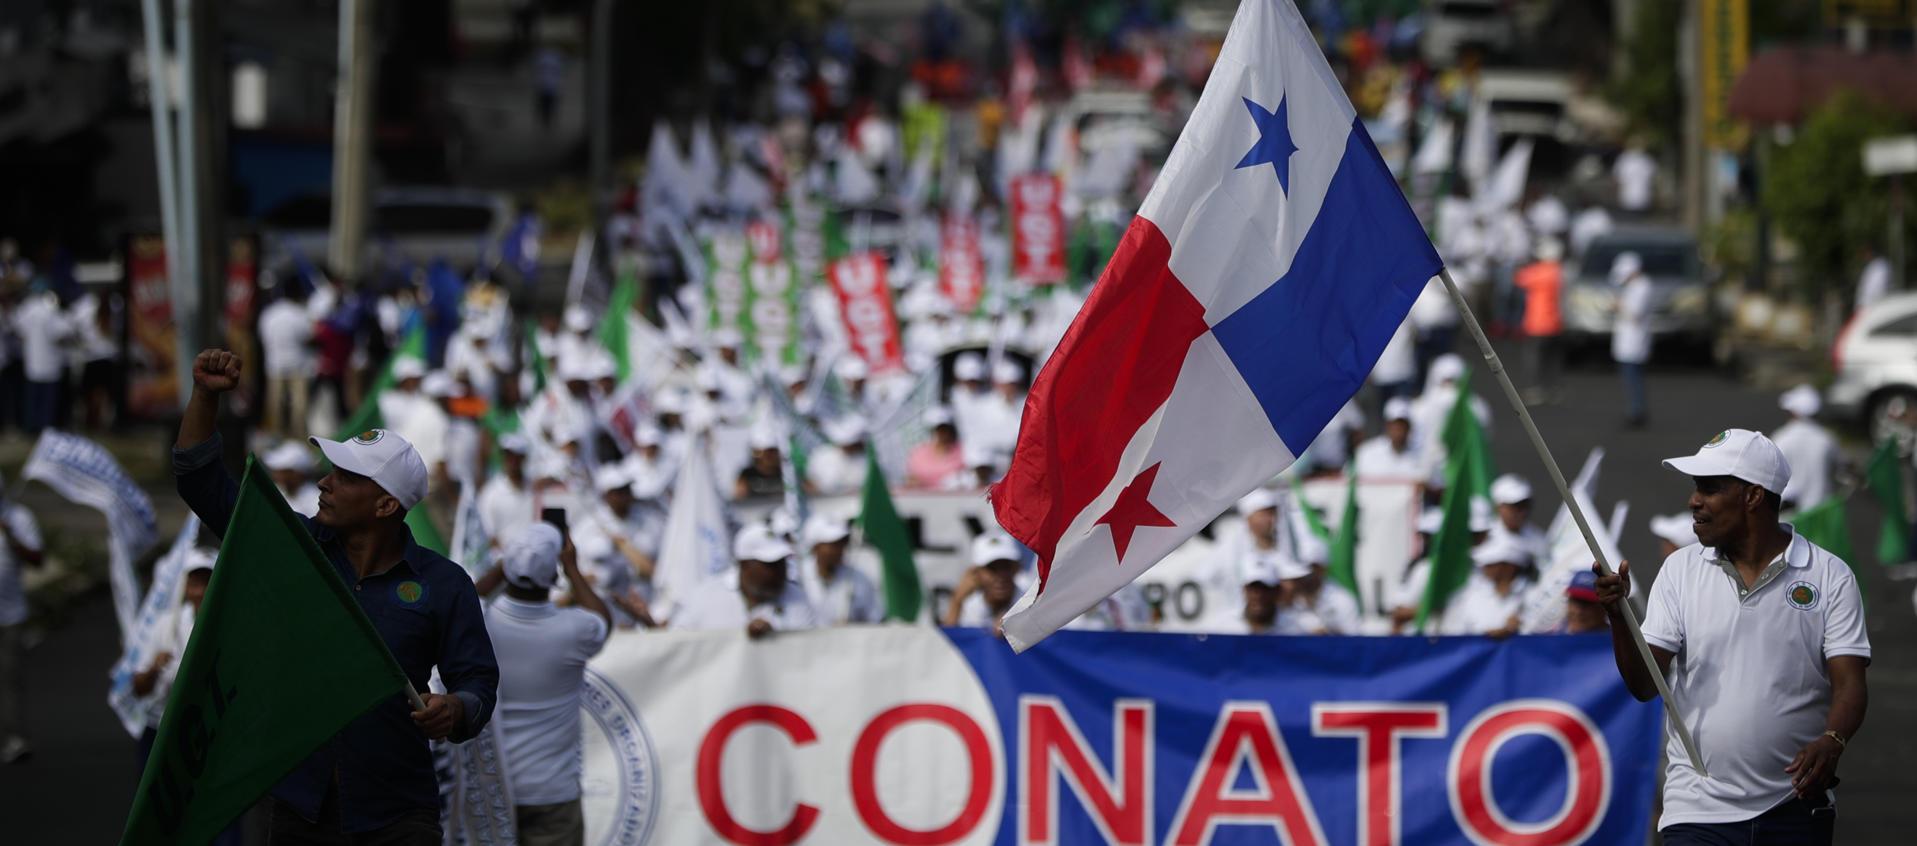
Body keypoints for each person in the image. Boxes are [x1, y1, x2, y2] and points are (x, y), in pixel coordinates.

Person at [174, 349, 498, 843]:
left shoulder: (444, 583)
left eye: (345, 477)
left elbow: (477, 682)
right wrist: (203, 396)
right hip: (297, 810)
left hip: (398, 815)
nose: (324, 482)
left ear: (386, 504)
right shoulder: (293, 548)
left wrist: (454, 708)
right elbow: (200, 481)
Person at [1594, 428, 1869, 844]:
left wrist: (1832, 741)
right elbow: (1644, 684)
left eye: (1710, 487)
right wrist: (1618, 616)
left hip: (1795, 808)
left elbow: (1850, 684)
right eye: (1695, 487)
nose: (1694, 500)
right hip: (1696, 811)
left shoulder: (1830, 575)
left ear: (1753, 497)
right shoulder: (1680, 570)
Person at [475, 524, 610, 846]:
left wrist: (506, 564)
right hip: (553, 794)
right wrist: (573, 568)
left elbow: (464, 596)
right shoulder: (576, 629)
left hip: (490, 793)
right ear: (553, 577)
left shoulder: (477, 621)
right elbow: (602, 617)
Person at [671, 524, 821, 637]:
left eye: (781, 563)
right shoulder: (705, 597)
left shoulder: (798, 598)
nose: (779, 572)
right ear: (744, 565)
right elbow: (677, 644)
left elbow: (808, 654)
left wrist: (775, 638)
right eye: (770, 565)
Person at [570, 465, 660, 628]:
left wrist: (622, 545)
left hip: (646, 604)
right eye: (618, 491)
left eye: (627, 489)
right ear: (606, 495)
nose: (624, 496)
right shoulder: (586, 527)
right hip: (605, 609)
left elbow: (657, 568)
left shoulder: (651, 521)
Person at [0, 471, 44, 765]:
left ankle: (14, 739)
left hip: (10, 616)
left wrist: (11, 536)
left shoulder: (19, 518)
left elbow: (37, 560)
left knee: (8, 679)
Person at [1439, 535, 1532, 637]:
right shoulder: (1470, 596)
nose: (1484, 567)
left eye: (1492, 563)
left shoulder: (1532, 594)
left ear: (1509, 567)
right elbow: (1454, 635)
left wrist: (1516, 629)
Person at [798, 515, 881, 625]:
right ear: (815, 547)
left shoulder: (859, 579)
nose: (840, 548)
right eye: (832, 544)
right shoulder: (797, 577)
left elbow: (875, 618)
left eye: (841, 542)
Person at [260, 289, 317, 439]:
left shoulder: (269, 313)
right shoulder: (298, 313)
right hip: (297, 365)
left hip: (274, 365)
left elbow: (263, 337)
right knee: (299, 407)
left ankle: (276, 438)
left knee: (275, 405)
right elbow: (309, 337)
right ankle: (298, 440)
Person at [1514, 238, 1565, 404]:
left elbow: (1519, 278)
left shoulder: (1537, 272)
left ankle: (1534, 390)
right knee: (1552, 358)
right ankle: (1553, 389)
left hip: (1537, 323)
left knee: (1534, 358)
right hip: (1555, 322)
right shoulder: (1560, 272)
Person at [1772, 385, 1839, 512]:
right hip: (1822, 513)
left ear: (1794, 412)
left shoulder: (1781, 438)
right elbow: (1841, 468)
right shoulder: (1827, 439)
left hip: (1790, 515)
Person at [943, 534, 1027, 635]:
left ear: (1016, 568)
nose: (1001, 576)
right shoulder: (969, 608)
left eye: (1006, 567)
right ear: (976, 573)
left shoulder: (1034, 601)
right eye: (992, 568)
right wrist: (956, 602)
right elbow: (947, 642)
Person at [1610, 252, 1653, 428]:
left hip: (1634, 342)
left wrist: (1618, 305)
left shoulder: (1643, 287)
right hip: (1628, 341)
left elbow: (1635, 314)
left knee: (1633, 379)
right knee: (1631, 379)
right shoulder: (1634, 286)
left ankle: (1636, 412)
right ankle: (1635, 410)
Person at [478, 433, 536, 548]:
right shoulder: (490, 494)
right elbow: (490, 537)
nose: (512, 461)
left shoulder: (536, 489)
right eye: (508, 456)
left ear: (523, 458)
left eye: (516, 456)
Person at [1353, 398, 1424, 480]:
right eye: (1395, 426)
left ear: (1409, 428)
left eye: (1402, 426)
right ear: (1387, 426)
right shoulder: (1366, 452)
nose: (1399, 431)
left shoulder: (1419, 455)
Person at [1488, 474, 1546, 564]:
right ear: (1499, 507)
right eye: (1515, 506)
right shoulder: (1486, 541)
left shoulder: (1537, 537)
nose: (1522, 512)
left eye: (1525, 504)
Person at [906, 408, 966, 489]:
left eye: (946, 429)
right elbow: (911, 479)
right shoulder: (919, 453)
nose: (943, 433)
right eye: (939, 429)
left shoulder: (963, 451)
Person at [265, 441, 322, 518]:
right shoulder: (276, 492)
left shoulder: (317, 500)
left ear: (298, 474)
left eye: (284, 471)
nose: (276, 475)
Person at [1237, 555, 1285, 635]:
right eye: (1253, 589)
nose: (1258, 596)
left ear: (1277, 591)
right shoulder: (1221, 627)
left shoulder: (1296, 630)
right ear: (1244, 590)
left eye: (1265, 589)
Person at [1558, 570, 1608, 634]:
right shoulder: (1553, 637)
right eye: (1575, 601)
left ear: (1604, 608)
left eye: (1586, 603)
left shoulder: (1618, 640)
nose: (1578, 612)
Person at [1854, 244, 1891, 314]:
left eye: (1866, 252)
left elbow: (1878, 289)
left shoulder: (1881, 266)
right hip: (1866, 308)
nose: (1865, 256)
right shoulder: (1871, 267)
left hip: (1874, 308)